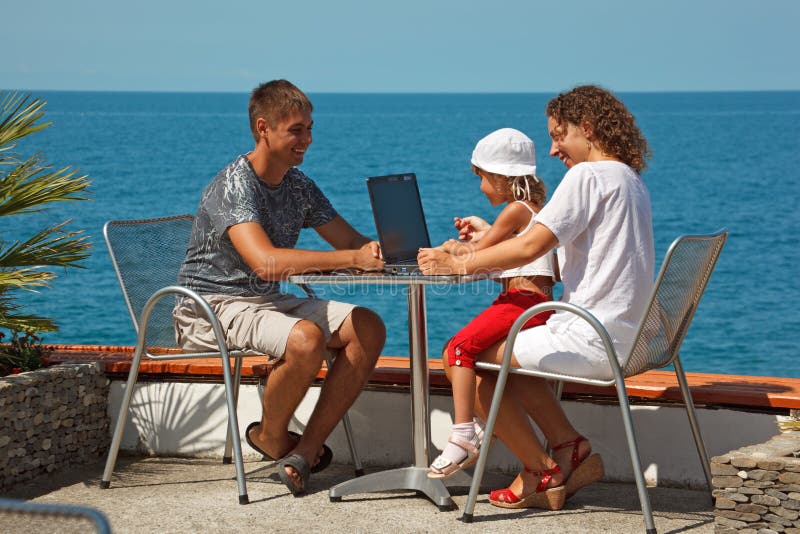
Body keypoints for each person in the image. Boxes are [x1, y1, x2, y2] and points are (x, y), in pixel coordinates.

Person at [418, 85, 654, 511]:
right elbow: (551, 252)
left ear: (587, 127)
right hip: (631, 336)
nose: (551, 150)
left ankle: (539, 469)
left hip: (590, 336)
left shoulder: (588, 176)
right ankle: (568, 449)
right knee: (493, 353)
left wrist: (458, 265)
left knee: (467, 362)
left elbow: (530, 248)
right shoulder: (629, 179)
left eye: (558, 135)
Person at [173, 79, 386, 496]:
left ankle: (303, 454)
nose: (306, 139)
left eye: (309, 128)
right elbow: (266, 262)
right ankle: (271, 437)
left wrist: (409, 250)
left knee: (368, 326)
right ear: (263, 127)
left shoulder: (298, 184)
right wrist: (349, 260)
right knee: (305, 341)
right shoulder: (234, 185)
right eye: (296, 130)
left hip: (266, 301)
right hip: (211, 305)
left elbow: (349, 241)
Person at [427, 128, 556, 479]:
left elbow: (480, 254)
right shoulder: (530, 209)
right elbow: (501, 245)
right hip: (529, 302)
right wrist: (482, 232)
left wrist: (444, 250)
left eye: (482, 177)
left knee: (458, 349)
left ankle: (463, 434)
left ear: (501, 176)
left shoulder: (516, 209)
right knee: (470, 355)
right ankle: (483, 427)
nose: (481, 186)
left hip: (523, 302)